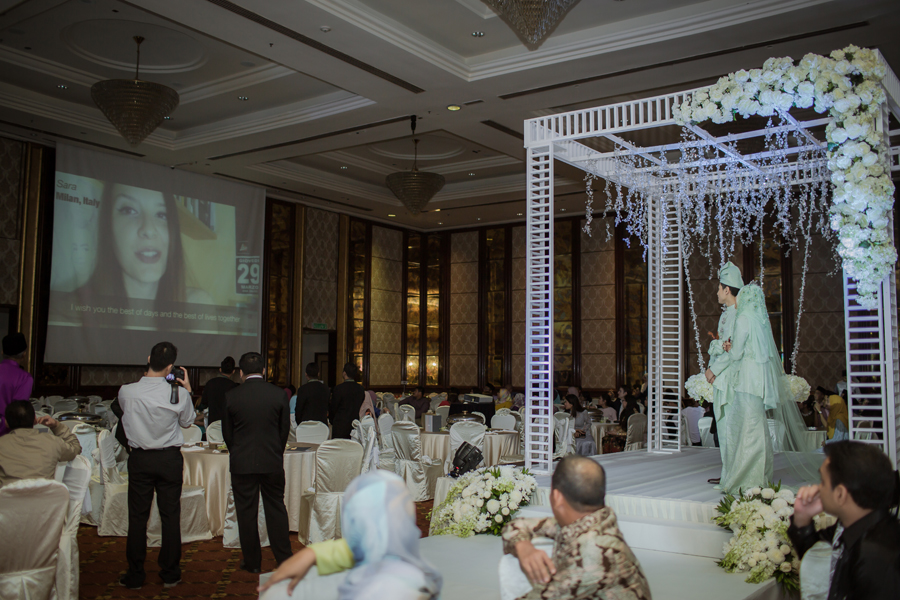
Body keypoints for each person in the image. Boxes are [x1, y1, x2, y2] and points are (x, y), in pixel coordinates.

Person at [258, 470, 442, 600]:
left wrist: (311, 553)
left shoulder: (295, 593)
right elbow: (377, 544)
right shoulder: (425, 577)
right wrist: (314, 553)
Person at [501, 456, 650, 599]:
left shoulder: (590, 557)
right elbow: (517, 525)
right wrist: (523, 547)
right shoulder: (596, 520)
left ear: (557, 497)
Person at [117, 341, 195, 590]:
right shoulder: (179, 393)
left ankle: (135, 574)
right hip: (168, 459)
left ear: (149, 359)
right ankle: (170, 573)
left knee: (138, 517)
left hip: (140, 459)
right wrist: (187, 389)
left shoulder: (126, 391)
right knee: (170, 516)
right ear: (171, 367)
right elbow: (188, 422)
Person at [788, 441, 900, 600]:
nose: (818, 488)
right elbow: (817, 558)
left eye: (823, 482)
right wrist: (802, 518)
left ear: (840, 494)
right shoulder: (852, 526)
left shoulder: (877, 556)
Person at [78, 183, 211, 305]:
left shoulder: (197, 305)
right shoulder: (72, 310)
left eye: (161, 214)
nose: (149, 230)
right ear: (108, 225)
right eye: (129, 210)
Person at [222, 351, 293, 574]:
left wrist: (237, 451)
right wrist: (275, 451)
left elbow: (227, 433)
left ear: (241, 372)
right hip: (271, 460)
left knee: (246, 512)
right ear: (264, 370)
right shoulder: (278, 395)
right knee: (276, 508)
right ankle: (284, 559)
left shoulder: (232, 396)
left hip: (242, 462)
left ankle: (252, 562)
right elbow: (284, 430)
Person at [704, 261, 743, 485]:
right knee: (723, 425)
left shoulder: (738, 315)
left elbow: (734, 349)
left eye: (719, 288)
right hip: (722, 376)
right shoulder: (727, 314)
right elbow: (723, 345)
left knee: (730, 425)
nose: (717, 293)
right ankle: (729, 471)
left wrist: (713, 370)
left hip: (731, 378)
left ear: (727, 289)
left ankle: (734, 473)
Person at [0, 401, 81, 486]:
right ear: (35, 419)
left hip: (8, 494)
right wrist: (56, 426)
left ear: (6, 422)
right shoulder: (52, 442)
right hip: (45, 494)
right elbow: (76, 448)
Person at [0, 332, 34, 437]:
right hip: (6, 433)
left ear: (2, 352)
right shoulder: (24, 378)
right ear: (24, 354)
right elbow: (18, 413)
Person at [199, 356, 238, 426]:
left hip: (212, 423)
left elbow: (203, 404)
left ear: (220, 369)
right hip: (227, 424)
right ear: (233, 371)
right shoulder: (234, 386)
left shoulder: (210, 383)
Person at [330, 363, 365, 439]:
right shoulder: (360, 389)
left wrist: (332, 420)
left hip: (340, 426)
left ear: (344, 373)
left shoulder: (338, 389)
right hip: (355, 425)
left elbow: (333, 408)